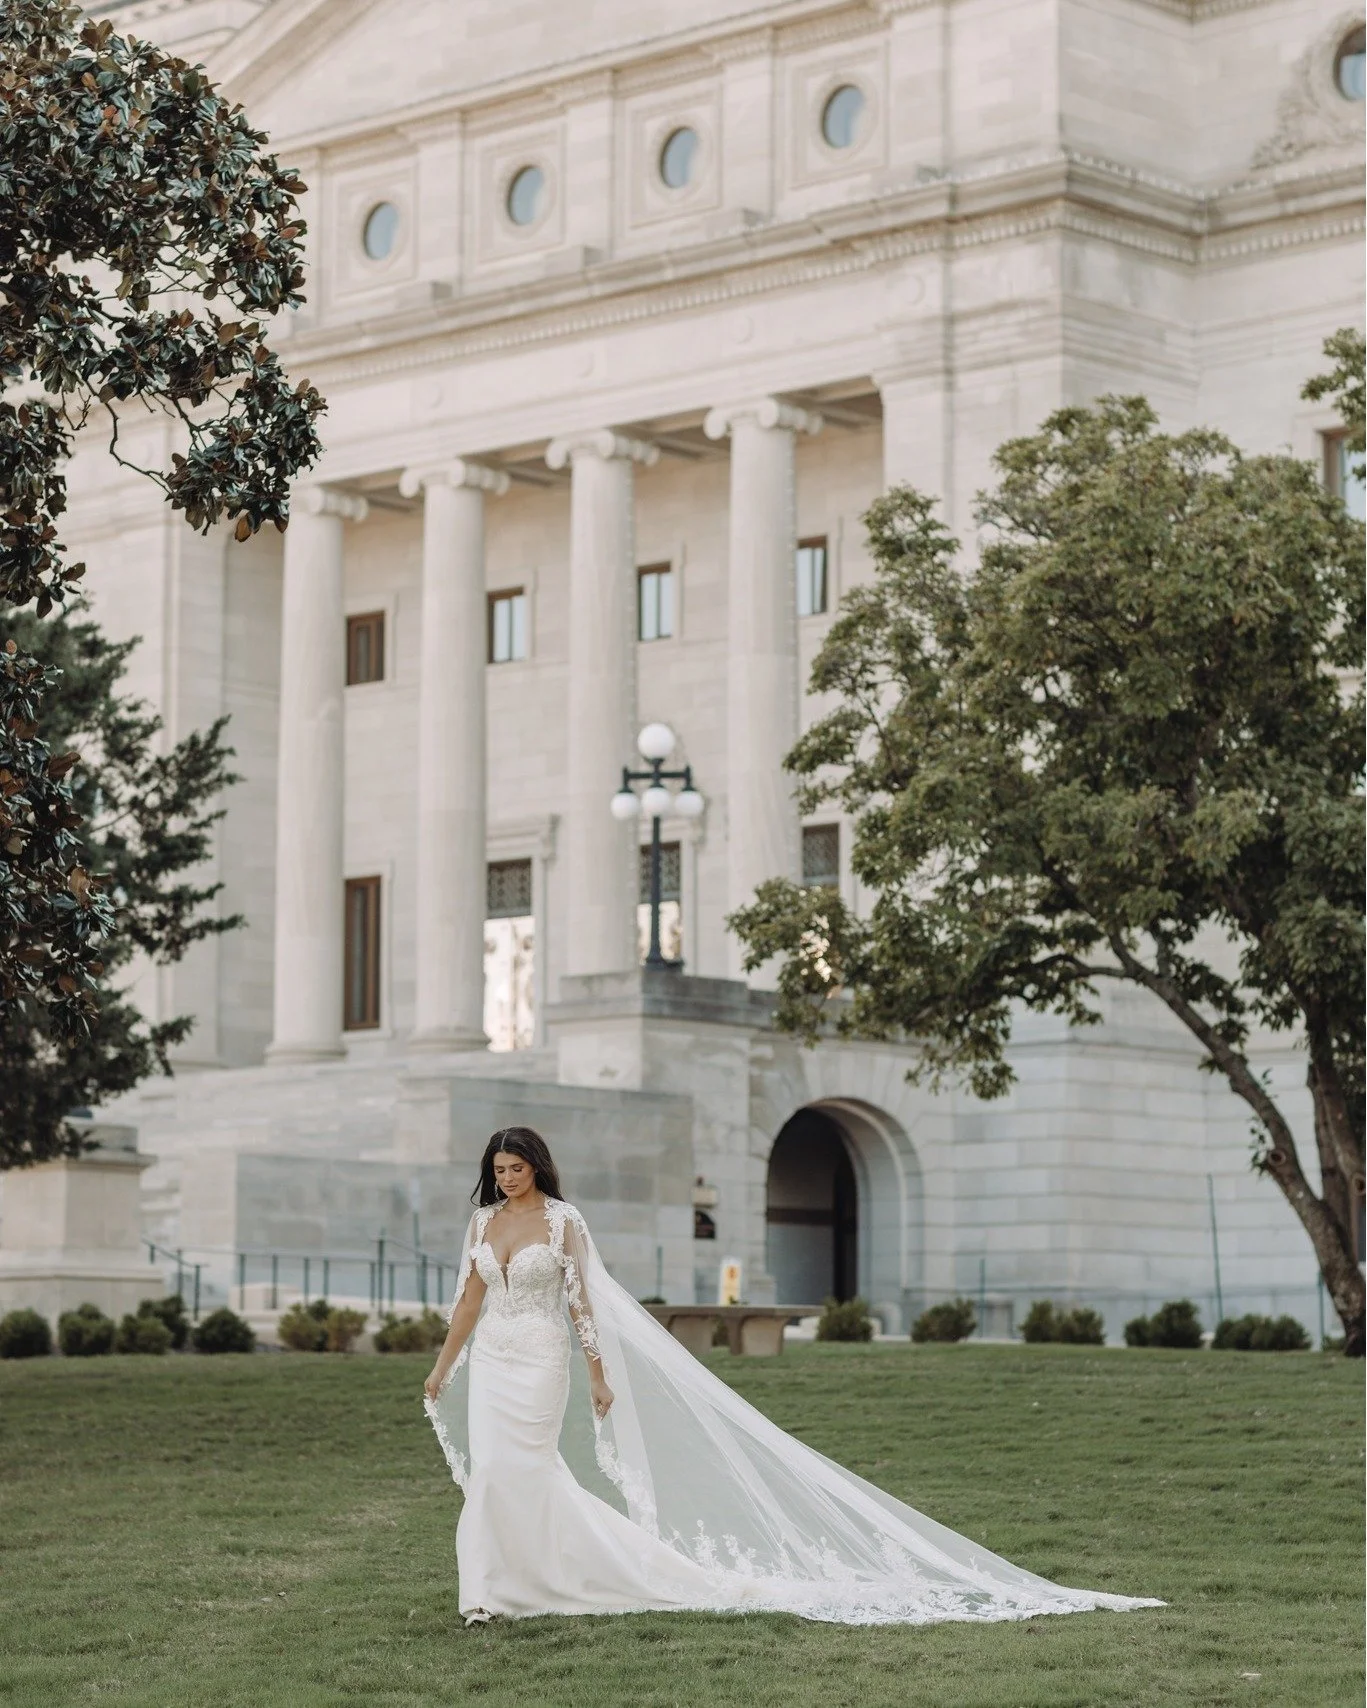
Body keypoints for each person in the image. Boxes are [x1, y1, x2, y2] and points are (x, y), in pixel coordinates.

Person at [425, 1126, 1162, 1627]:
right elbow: (468, 1299)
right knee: (494, 1472)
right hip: (493, 1358)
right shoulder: (484, 1225)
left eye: (515, 1169)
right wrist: (441, 1365)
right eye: (498, 1171)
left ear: (537, 1168)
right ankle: (487, 1593)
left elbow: (582, 1302)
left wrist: (597, 1376)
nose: (506, 1179)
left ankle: (548, 1577)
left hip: (545, 1359)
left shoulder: (564, 1222)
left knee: (527, 1473)